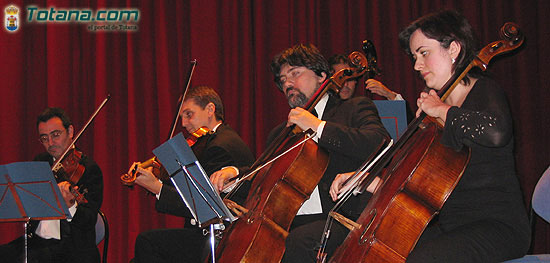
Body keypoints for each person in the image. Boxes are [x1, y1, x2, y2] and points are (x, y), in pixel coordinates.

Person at [211, 44, 389, 262]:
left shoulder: (353, 108)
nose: (287, 83)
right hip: (289, 220)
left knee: (298, 242)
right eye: (283, 79)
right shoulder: (282, 131)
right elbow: (264, 173)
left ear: (322, 75)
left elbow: (378, 142)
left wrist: (318, 126)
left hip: (339, 217)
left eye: (295, 73)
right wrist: (234, 172)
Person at [397, 10, 530, 262]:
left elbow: (497, 132)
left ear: (454, 49)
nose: (416, 65)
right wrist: (368, 181)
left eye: (424, 53)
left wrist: (443, 110)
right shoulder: (434, 114)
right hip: (453, 227)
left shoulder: (485, 90)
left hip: (499, 227)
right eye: (414, 57)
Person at [130, 85, 255, 263]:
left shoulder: (221, 146)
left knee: (147, 243)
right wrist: (156, 181)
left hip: (223, 238)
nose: (183, 123)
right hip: (206, 233)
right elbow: (186, 190)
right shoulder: (213, 140)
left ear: (210, 109)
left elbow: (204, 205)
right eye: (182, 117)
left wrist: (157, 188)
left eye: (189, 114)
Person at [0, 107, 104, 263]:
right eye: (44, 138)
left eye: (56, 135)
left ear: (70, 131)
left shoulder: (88, 169)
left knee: (32, 259)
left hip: (71, 245)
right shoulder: (40, 162)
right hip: (37, 241)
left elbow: (88, 219)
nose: (50, 143)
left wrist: (70, 205)